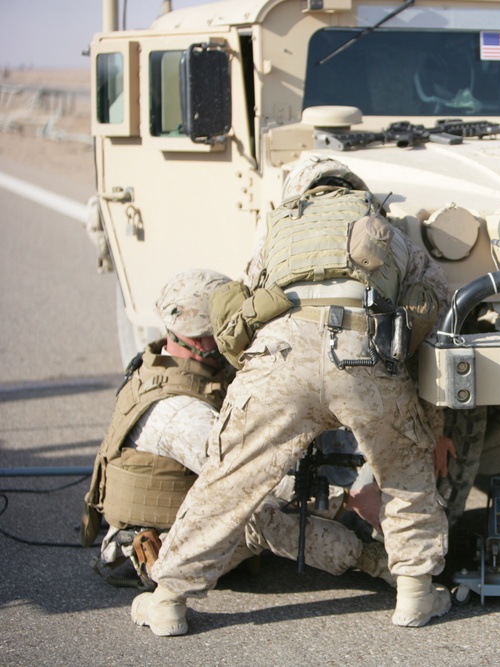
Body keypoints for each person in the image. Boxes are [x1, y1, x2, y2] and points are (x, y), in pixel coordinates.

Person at [131, 160, 453, 636]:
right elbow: (435, 296)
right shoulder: (387, 229)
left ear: (299, 192)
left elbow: (250, 303)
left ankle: (168, 600)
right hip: (363, 355)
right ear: (354, 191)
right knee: (405, 470)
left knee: (229, 480)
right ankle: (415, 595)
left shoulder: (279, 229)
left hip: (281, 357)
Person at [81, 269, 392, 592]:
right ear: (203, 337)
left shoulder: (185, 367)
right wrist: (348, 501)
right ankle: (378, 563)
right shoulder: (177, 412)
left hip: (188, 516)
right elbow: (247, 478)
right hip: (155, 546)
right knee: (262, 514)